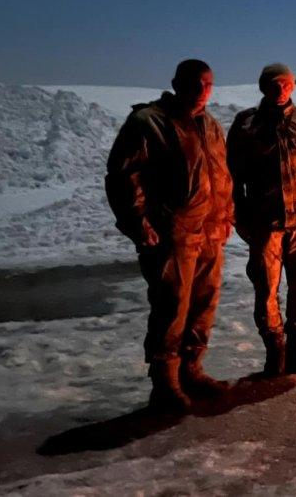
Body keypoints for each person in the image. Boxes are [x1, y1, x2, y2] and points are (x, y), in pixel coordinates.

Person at [105, 59, 234, 412]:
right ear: (176, 83)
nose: (201, 91)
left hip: (209, 233)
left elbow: (222, 176)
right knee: (171, 307)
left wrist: (226, 217)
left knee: (204, 305)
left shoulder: (210, 125)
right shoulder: (149, 122)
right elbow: (124, 175)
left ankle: (192, 370)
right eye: (194, 84)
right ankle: (165, 383)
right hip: (171, 234)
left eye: (207, 84)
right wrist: (137, 222)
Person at [227, 63, 296, 376]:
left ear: (293, 86)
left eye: (286, 83)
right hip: (264, 223)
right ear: (263, 86)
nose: (281, 89)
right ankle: (274, 349)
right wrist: (240, 218)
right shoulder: (246, 125)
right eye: (274, 83)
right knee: (266, 287)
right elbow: (231, 177)